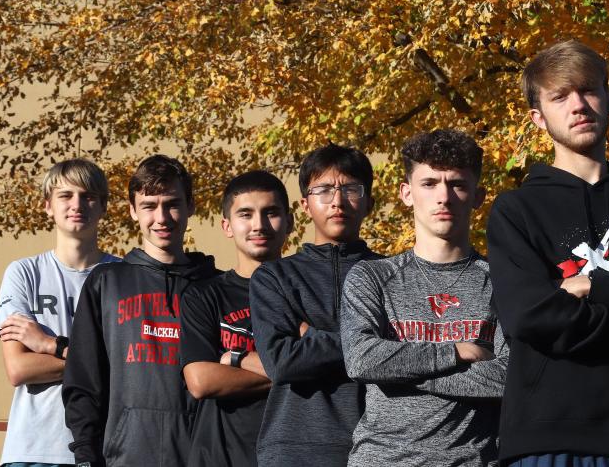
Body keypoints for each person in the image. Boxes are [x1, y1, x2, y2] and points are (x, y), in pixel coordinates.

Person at [487, 40, 609, 465]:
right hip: (546, 436)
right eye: (560, 96)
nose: (578, 105)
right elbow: (528, 317)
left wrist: (588, 285)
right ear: (538, 118)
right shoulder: (515, 210)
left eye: (589, 90)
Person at [341, 129, 508, 466]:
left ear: (478, 196)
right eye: (429, 183)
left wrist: (397, 369)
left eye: (457, 184)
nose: (443, 197)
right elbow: (361, 360)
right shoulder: (372, 277)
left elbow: (507, 378)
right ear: (406, 193)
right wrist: (456, 352)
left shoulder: (502, 281)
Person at [62, 155, 220, 467]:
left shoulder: (215, 286)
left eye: (172, 203)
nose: (161, 217)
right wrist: (85, 456)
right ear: (133, 210)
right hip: (124, 457)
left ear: (191, 206)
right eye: (149, 206)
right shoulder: (105, 283)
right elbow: (83, 381)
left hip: (202, 457)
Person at [250, 144, 382, 467]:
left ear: (369, 202)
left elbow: (406, 355)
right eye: (323, 190)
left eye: (351, 188)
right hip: (294, 449)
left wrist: (313, 337)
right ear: (305, 205)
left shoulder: (392, 275)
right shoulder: (274, 276)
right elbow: (282, 362)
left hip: (382, 445)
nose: (337, 201)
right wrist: (371, 342)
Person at [0, 159, 119, 467]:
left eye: (88, 195)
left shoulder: (124, 275)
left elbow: (134, 362)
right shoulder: (23, 273)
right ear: (47, 205)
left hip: (107, 447)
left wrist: (51, 346)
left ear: (103, 205)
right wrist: (102, 363)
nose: (77, 204)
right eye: (65, 195)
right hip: (33, 450)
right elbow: (19, 369)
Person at [180, 170, 292, 467]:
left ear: (290, 221)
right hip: (218, 457)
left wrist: (237, 358)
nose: (259, 225)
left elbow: (329, 366)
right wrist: (293, 371)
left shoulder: (306, 296)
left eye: (271, 212)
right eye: (246, 214)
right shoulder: (204, 296)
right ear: (227, 226)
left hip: (291, 454)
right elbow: (201, 381)